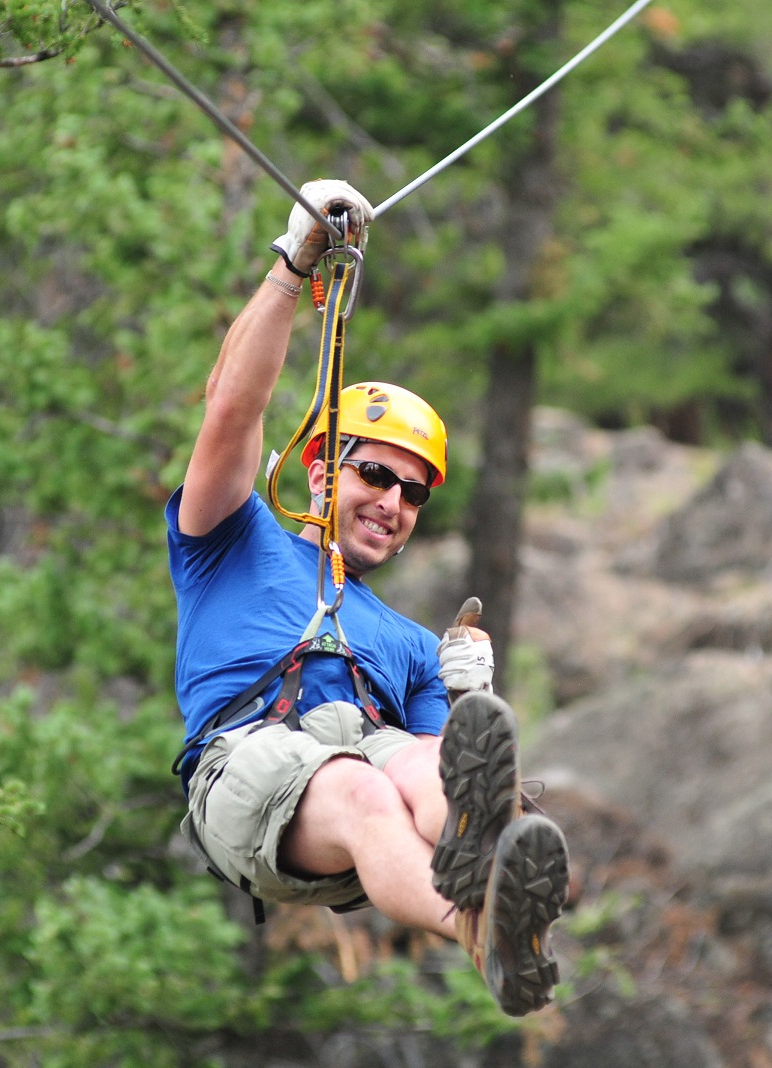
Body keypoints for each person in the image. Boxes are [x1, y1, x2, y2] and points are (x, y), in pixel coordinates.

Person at [165, 180, 569, 1016]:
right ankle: (482, 928)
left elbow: (435, 774)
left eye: (414, 493)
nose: (393, 502)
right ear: (320, 471)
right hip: (247, 764)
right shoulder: (230, 537)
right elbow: (231, 408)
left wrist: (466, 700)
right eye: (375, 474)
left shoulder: (415, 645)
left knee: (423, 765)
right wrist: (294, 262)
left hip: (359, 788)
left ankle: (499, 896)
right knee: (359, 786)